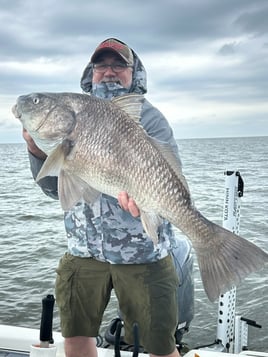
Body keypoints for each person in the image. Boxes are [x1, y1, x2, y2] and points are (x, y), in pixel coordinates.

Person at [23, 38, 185, 357]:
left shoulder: (150, 119)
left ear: (133, 72)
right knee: (74, 338)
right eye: (101, 65)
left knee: (160, 347)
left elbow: (166, 182)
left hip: (142, 252)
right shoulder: (74, 114)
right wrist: (34, 147)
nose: (109, 72)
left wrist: (144, 203)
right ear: (91, 72)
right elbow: (52, 188)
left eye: (118, 65)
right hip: (83, 249)